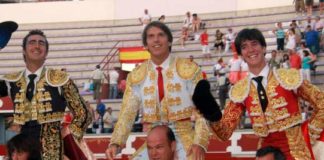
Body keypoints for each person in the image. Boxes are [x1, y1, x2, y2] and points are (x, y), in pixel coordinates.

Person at [193, 28, 324, 159]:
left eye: (254, 44)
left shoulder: (287, 77)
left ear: (264, 48)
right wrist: (212, 114)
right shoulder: (241, 90)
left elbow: (321, 102)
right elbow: (224, 132)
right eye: (244, 47)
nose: (250, 50)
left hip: (295, 149)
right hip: (265, 152)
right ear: (241, 55)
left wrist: (310, 131)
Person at [105, 21, 210, 160]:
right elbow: (127, 114)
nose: (156, 39)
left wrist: (200, 143)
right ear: (146, 45)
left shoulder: (189, 69)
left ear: (170, 41)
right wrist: (116, 143)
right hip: (154, 141)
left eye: (161, 35)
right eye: (151, 36)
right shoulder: (136, 75)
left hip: (185, 137)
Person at [0, 30, 91, 159]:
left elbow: (84, 114)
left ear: (46, 52)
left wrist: (68, 135)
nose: (37, 46)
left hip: (52, 148)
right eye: (32, 42)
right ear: (24, 51)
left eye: (41, 43)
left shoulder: (61, 79)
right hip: (23, 149)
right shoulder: (12, 82)